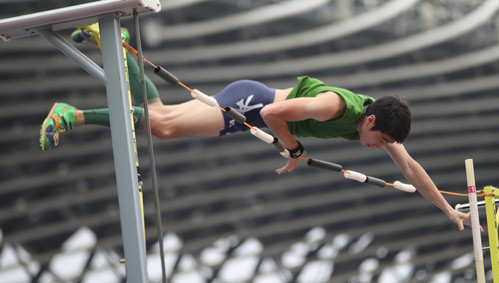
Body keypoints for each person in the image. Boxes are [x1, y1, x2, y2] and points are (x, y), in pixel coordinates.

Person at [41, 27, 471, 231]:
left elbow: (411, 170)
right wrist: (294, 150)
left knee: (160, 120)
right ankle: (71, 114)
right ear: (372, 122)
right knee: (161, 123)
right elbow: (271, 115)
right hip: (252, 102)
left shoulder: (368, 122)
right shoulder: (334, 106)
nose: (380, 149)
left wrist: (449, 211)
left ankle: (108, 41)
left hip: (254, 111)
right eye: (382, 141)